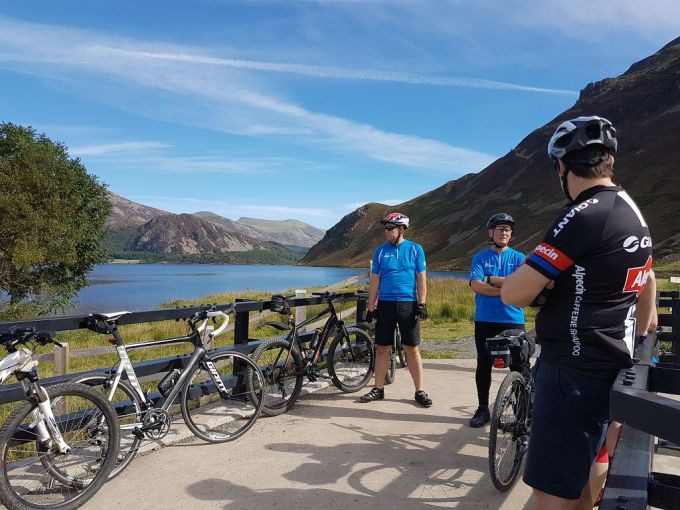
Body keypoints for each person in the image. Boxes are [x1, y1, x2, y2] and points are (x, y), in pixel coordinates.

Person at [502, 116, 656, 509]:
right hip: (608, 361)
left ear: (562, 166)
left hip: (571, 370)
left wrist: (542, 283)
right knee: (589, 467)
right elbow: (648, 278)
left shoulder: (584, 213)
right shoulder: (629, 208)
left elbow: (514, 293)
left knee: (551, 495)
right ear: (609, 162)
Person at [360, 212, 432, 407]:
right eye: (385, 228)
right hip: (386, 304)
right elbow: (374, 281)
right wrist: (371, 307)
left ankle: (420, 390)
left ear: (401, 230)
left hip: (408, 304)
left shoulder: (416, 250)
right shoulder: (380, 252)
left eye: (390, 228)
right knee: (382, 348)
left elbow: (421, 279)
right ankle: (378, 388)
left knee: (412, 348)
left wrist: (422, 303)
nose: (386, 232)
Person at [468, 213, 525, 427]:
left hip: (513, 320)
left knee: (519, 365)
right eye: (500, 228)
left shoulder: (519, 258)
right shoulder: (480, 257)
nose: (505, 232)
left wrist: (490, 280)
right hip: (485, 320)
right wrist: (507, 289)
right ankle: (483, 409)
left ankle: (522, 412)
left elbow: (520, 285)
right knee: (483, 363)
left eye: (508, 229)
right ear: (491, 232)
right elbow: (476, 285)